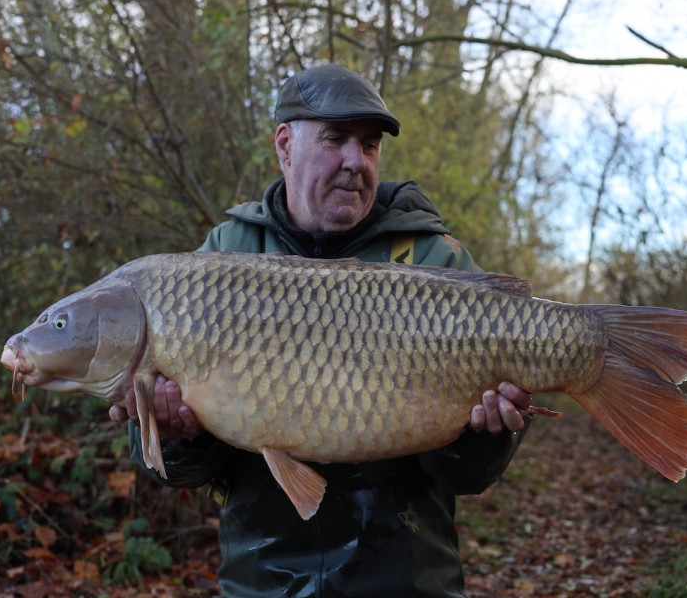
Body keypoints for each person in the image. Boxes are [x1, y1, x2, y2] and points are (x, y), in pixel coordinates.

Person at [109, 63, 533, 597]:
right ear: (285, 145)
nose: (356, 161)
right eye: (336, 139)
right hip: (262, 581)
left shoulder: (433, 257)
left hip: (406, 578)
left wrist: (484, 436)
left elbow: (471, 476)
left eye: (370, 144)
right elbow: (173, 472)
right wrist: (180, 436)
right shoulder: (219, 261)